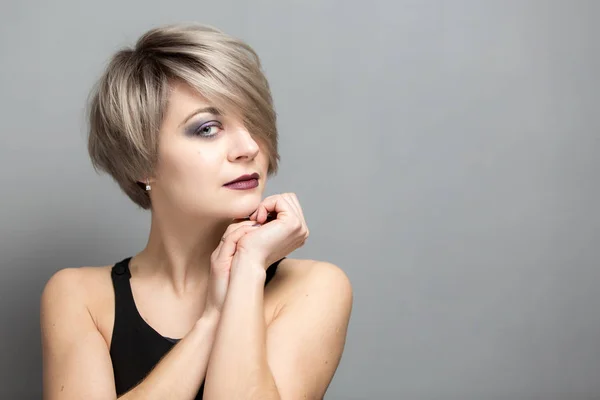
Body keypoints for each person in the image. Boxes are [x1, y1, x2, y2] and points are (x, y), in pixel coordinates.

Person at [39, 23, 353, 400]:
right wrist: (211, 319)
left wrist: (248, 269)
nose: (249, 146)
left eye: (253, 123)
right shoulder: (79, 297)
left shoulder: (313, 288)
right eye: (207, 128)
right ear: (143, 162)